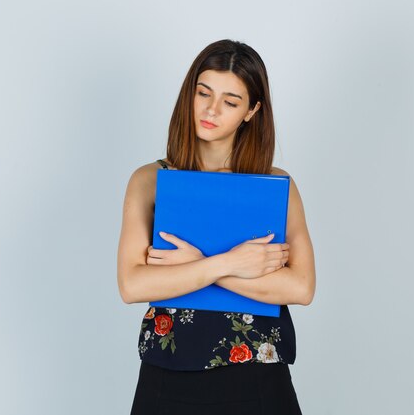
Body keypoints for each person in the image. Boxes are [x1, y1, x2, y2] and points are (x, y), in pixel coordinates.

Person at [116, 39, 316, 414]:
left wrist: (197, 266)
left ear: (252, 110)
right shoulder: (149, 180)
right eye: (203, 93)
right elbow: (132, 284)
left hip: (258, 377)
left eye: (230, 101)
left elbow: (301, 288)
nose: (211, 110)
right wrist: (227, 263)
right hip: (167, 375)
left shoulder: (275, 186)